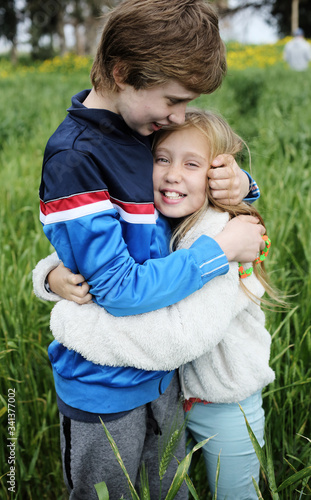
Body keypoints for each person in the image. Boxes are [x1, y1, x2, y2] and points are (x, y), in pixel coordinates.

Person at [35, 1, 265, 498]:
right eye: (174, 100)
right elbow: (116, 287)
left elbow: (182, 195)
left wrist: (242, 187)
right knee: (109, 491)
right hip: (104, 385)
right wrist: (220, 249)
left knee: (169, 488)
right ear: (123, 73)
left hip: (163, 379)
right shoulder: (77, 158)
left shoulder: (143, 127)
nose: (178, 116)